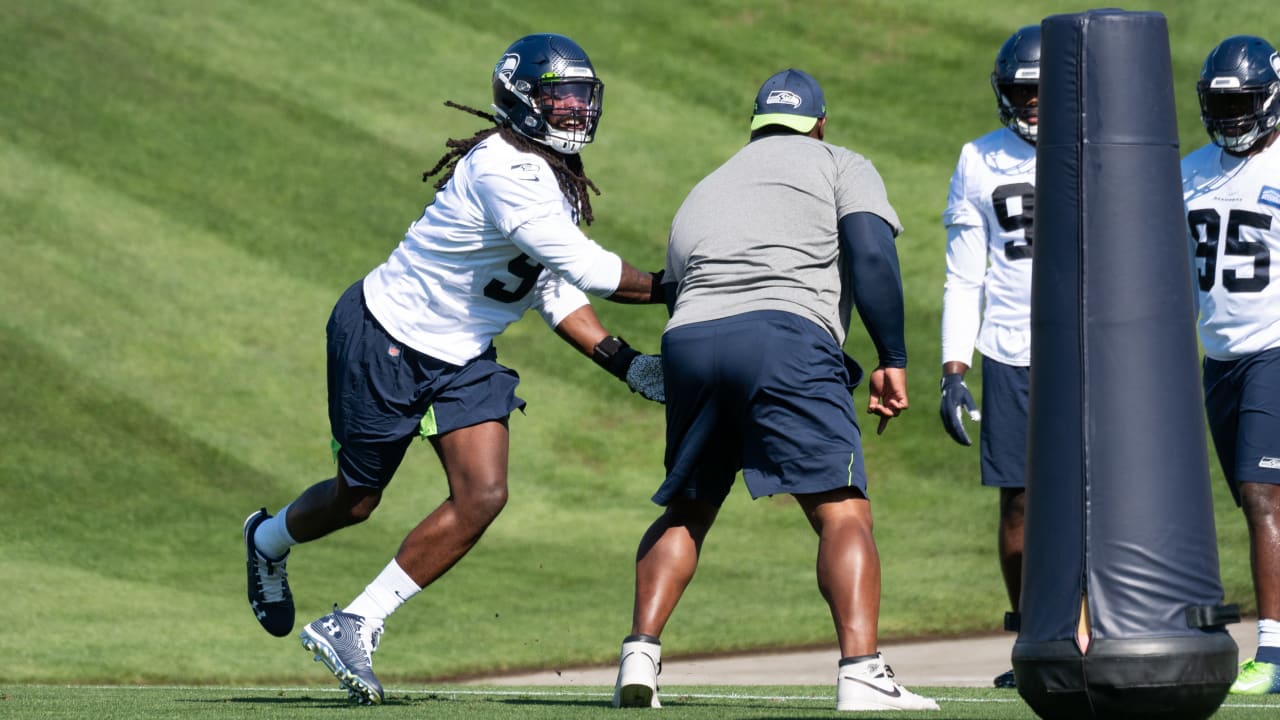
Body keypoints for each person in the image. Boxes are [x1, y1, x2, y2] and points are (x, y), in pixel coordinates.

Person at [241, 33, 666, 705]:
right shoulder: (503, 169)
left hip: (463, 359)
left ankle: (355, 621)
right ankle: (266, 540)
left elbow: (554, 287)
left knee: (484, 495)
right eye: (560, 98)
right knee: (358, 498)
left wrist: (626, 364)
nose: (576, 112)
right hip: (386, 338)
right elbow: (589, 270)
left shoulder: (550, 174)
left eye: (582, 97)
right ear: (522, 100)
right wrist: (680, 287)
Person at [609, 68, 938, 713]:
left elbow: (677, 287)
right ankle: (863, 672)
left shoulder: (708, 184)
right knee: (843, 511)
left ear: (755, 124)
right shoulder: (840, 162)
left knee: (690, 508)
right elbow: (871, 254)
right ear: (819, 123)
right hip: (784, 338)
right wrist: (892, 357)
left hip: (690, 342)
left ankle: (638, 657)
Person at [937, 24, 1040, 690]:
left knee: (1098, 500)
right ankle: (1033, 639)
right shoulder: (980, 159)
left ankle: (1101, 629)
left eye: (1040, 90)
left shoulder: (1095, 146)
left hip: (1089, 349)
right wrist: (954, 369)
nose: (1031, 102)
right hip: (1009, 348)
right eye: (1019, 91)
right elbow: (963, 275)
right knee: (1019, 502)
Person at [1182, 34, 1280, 696]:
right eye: (1224, 105)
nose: (1233, 118)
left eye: (1245, 103)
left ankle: (1272, 654)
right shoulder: (1190, 169)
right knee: (1253, 496)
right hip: (1218, 355)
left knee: (1260, 493)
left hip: (1275, 346)